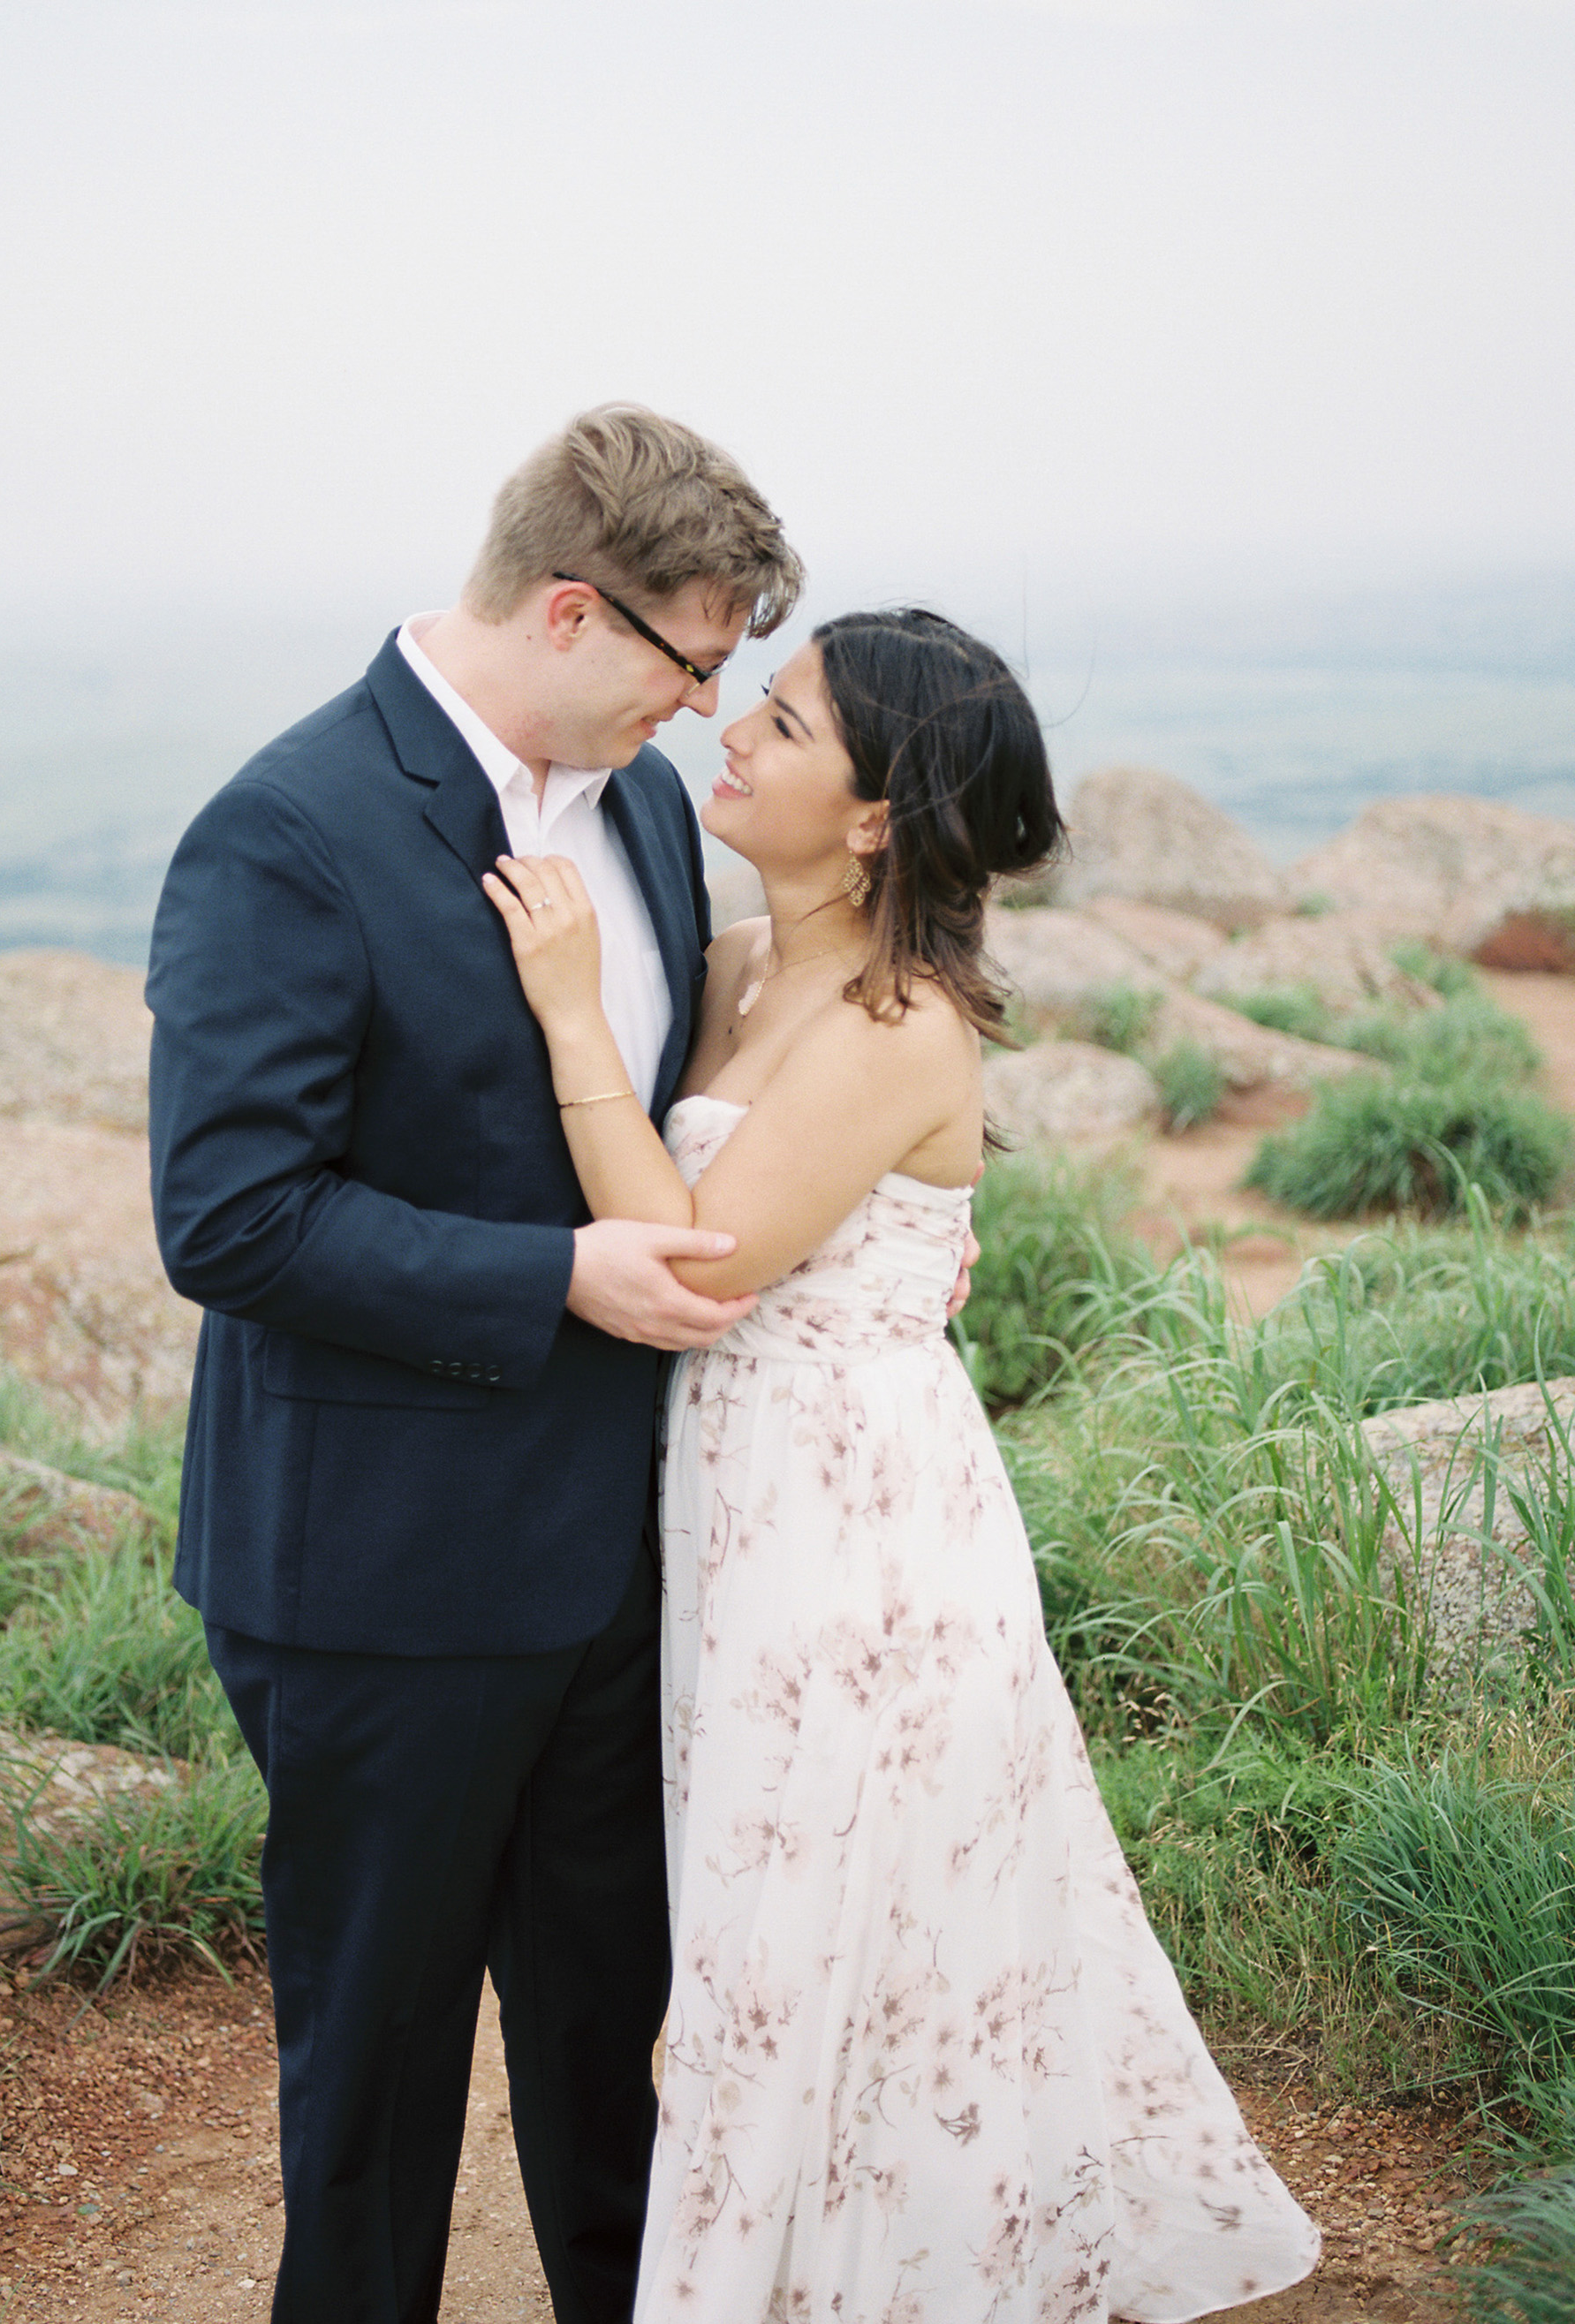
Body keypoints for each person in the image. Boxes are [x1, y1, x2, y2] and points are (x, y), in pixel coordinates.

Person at [484, 607, 1322, 2322]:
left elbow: (700, 1274)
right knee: (773, 1908)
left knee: (806, 1921)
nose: (731, 730)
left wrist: (569, 1020)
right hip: (734, 1505)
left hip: (852, 1528)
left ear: (872, 817)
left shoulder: (896, 1021)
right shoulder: (735, 965)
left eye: (782, 724)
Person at [144, 405, 807, 2324]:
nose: (704, 711)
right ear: (577, 611)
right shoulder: (288, 828)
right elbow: (231, 1217)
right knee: (377, 2074)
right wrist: (557, 1277)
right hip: (378, 1579)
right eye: (693, 661)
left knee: (613, 2045)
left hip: (618, 1566)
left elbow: (677, 1109)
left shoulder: (655, 811)